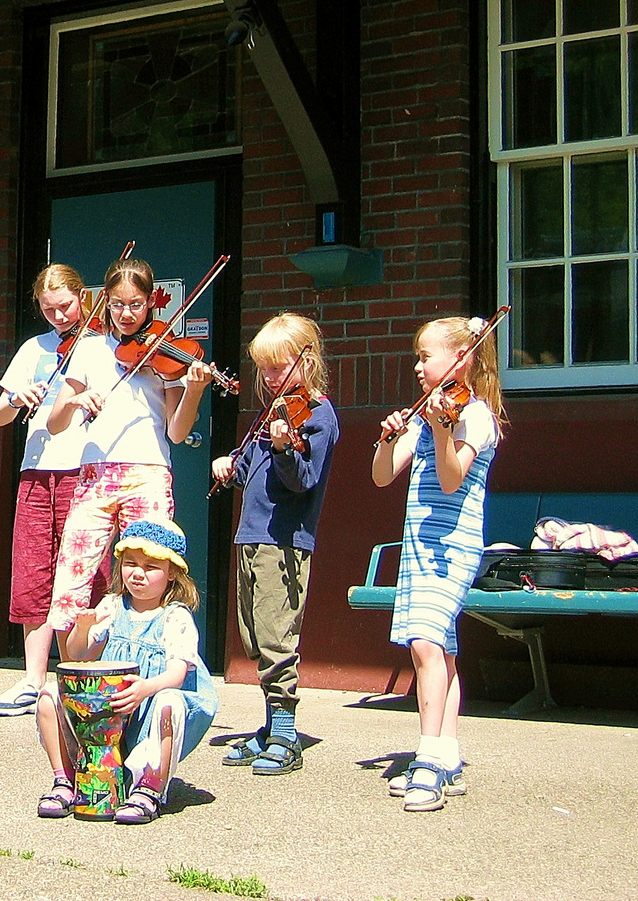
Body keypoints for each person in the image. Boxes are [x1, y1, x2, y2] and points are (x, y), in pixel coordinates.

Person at [371, 315, 505, 811]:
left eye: (426, 356)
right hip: (419, 545)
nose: (418, 366)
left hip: (454, 546)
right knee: (439, 651)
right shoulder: (430, 414)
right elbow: (382, 477)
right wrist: (389, 438)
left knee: (425, 641)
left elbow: (452, 480)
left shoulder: (474, 416)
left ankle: (427, 761)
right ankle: (447, 754)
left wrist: (441, 430)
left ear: (460, 359)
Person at [43, 256, 212, 635]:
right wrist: (74, 401)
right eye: (118, 304)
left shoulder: (164, 352)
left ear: (151, 301)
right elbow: (54, 424)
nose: (126, 313)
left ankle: (140, 667)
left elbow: (177, 433)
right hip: (94, 474)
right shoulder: (88, 350)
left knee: (149, 577)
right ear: (105, 301)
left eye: (136, 304)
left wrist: (195, 391)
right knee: (72, 577)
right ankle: (75, 680)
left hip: (148, 472)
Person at [211, 313, 338, 775]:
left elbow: (303, 480)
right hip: (251, 534)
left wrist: (286, 448)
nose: (268, 377)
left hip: (283, 542)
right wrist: (229, 464)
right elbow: (250, 472)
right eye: (263, 369)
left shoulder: (318, 417)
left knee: (276, 634)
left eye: (277, 367)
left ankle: (286, 733)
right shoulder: (274, 414)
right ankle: (269, 726)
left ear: (308, 361)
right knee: (254, 636)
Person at [34, 518, 218, 824]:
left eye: (150, 567)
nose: (138, 573)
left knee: (168, 700)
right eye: (130, 563)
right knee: (50, 694)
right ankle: (66, 780)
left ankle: (150, 787)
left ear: (172, 573)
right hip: (106, 715)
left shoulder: (176, 617)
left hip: (148, 712)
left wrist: (144, 688)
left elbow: (177, 673)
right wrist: (82, 629)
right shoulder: (113, 606)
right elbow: (80, 657)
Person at [0, 263, 99, 716]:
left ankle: (80, 675)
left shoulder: (101, 347)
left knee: (84, 572)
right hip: (37, 470)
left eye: (66, 306)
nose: (59, 317)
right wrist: (17, 398)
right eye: (49, 310)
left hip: (84, 468)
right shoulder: (34, 349)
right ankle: (32, 680)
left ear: (83, 298)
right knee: (32, 571)